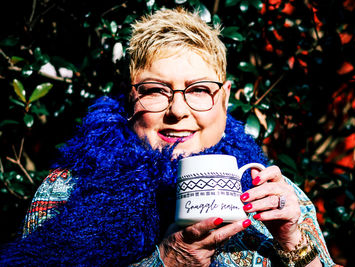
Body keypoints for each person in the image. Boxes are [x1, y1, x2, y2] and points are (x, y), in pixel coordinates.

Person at [1, 8, 337, 266]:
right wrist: (165, 261)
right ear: (129, 96)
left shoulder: (273, 194)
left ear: (225, 97)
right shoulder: (66, 190)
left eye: (200, 90)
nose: (177, 110)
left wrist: (294, 241)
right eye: (155, 90)